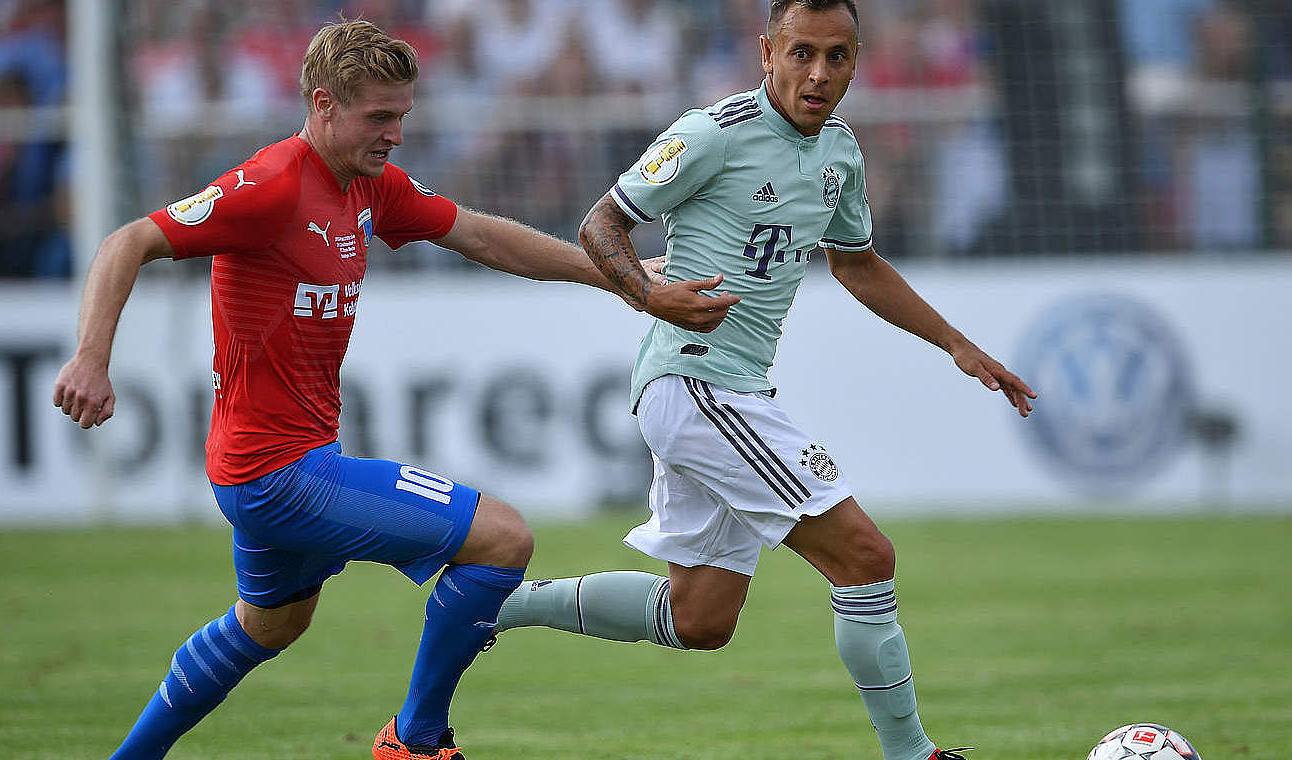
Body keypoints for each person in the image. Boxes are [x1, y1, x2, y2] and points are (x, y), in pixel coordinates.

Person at [51, 18, 731, 760]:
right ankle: (415, 741)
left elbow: (478, 234)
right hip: (278, 474)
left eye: (403, 115)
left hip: (267, 466)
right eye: (380, 117)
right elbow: (129, 240)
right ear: (323, 105)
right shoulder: (270, 186)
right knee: (503, 540)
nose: (396, 134)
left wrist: (621, 278)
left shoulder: (370, 185)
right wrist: (91, 357)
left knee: (270, 626)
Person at [493, 3, 1037, 760]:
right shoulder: (712, 131)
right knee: (865, 557)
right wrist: (651, 296)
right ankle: (913, 754)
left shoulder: (840, 153)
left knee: (701, 619)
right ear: (767, 52)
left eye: (838, 57)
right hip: (693, 384)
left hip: (729, 391)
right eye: (803, 53)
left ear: (856, 59)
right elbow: (600, 225)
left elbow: (856, 263)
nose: (819, 74)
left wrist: (955, 343)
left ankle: (498, 605)